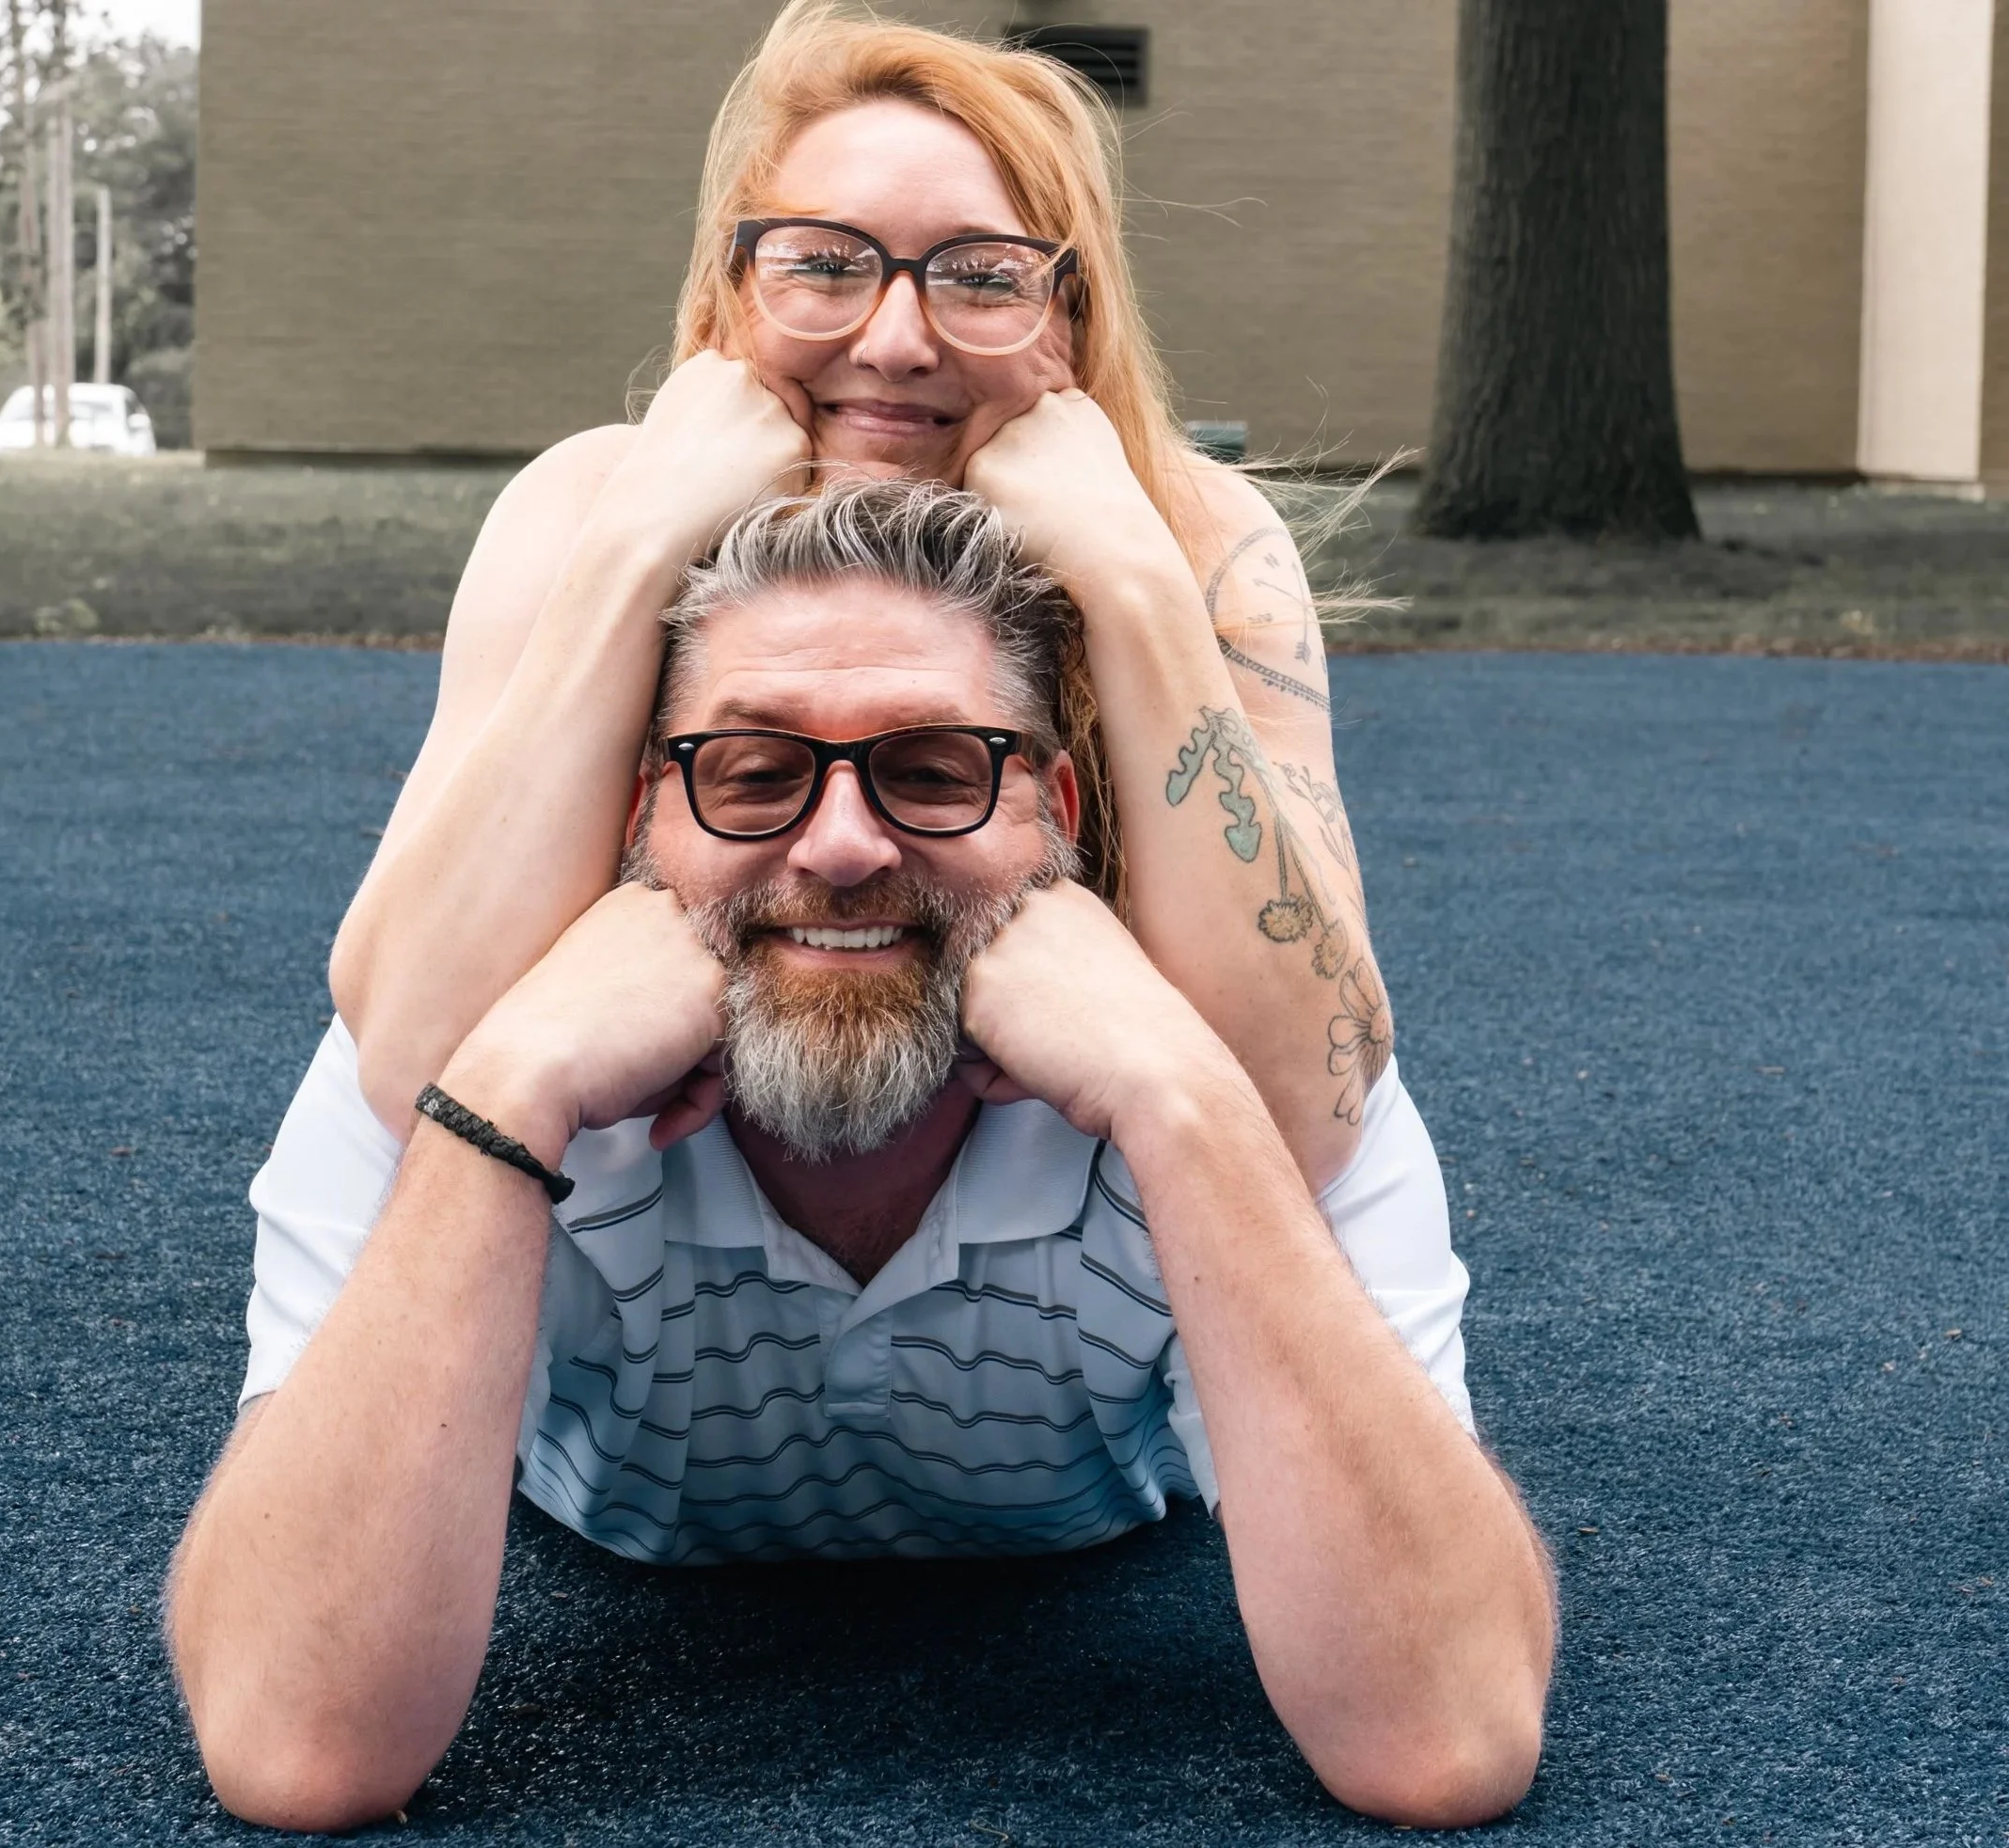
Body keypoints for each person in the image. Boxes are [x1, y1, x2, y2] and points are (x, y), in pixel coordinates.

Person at [165, 481, 1556, 1835]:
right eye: (753, 773)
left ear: (1059, 811)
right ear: (644, 812)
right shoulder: (458, 1046)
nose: (840, 848)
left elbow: (1444, 1738)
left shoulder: (1255, 1058)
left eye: (935, 772)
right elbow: (298, 1747)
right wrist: (507, 1098)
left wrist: (1185, 1101)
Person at [326, 1, 1395, 1207]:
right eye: (825, 265)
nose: (894, 342)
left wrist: (1135, 583)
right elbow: (411, 1061)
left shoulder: (1194, 539)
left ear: (1073, 319)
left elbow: (1308, 1113)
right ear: (731, 295)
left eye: (981, 277)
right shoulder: (589, 506)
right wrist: (635, 548)